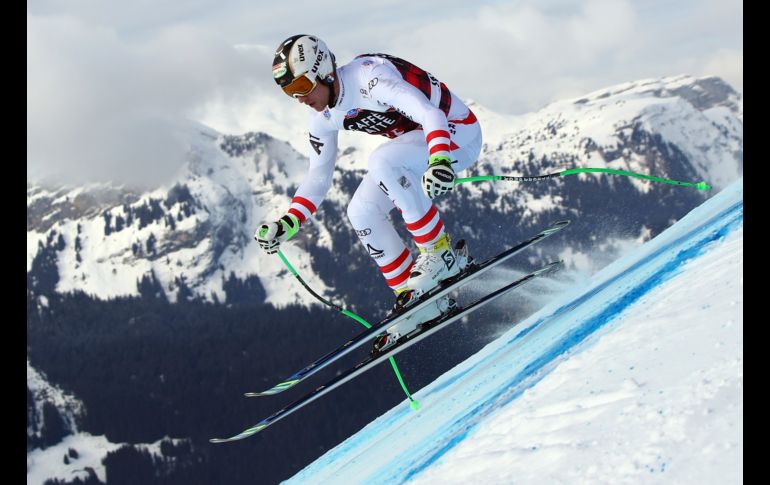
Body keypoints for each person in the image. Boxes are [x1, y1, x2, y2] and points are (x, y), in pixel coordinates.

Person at [256, 35, 482, 349]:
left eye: (302, 87)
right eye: (289, 92)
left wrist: (440, 158)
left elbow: (432, 115)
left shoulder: (371, 77)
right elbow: (319, 177)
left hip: (456, 133)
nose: (299, 98)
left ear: (324, 72)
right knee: (360, 211)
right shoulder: (322, 118)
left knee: (382, 160)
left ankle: (440, 254)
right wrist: (288, 223)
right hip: (417, 145)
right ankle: (422, 302)